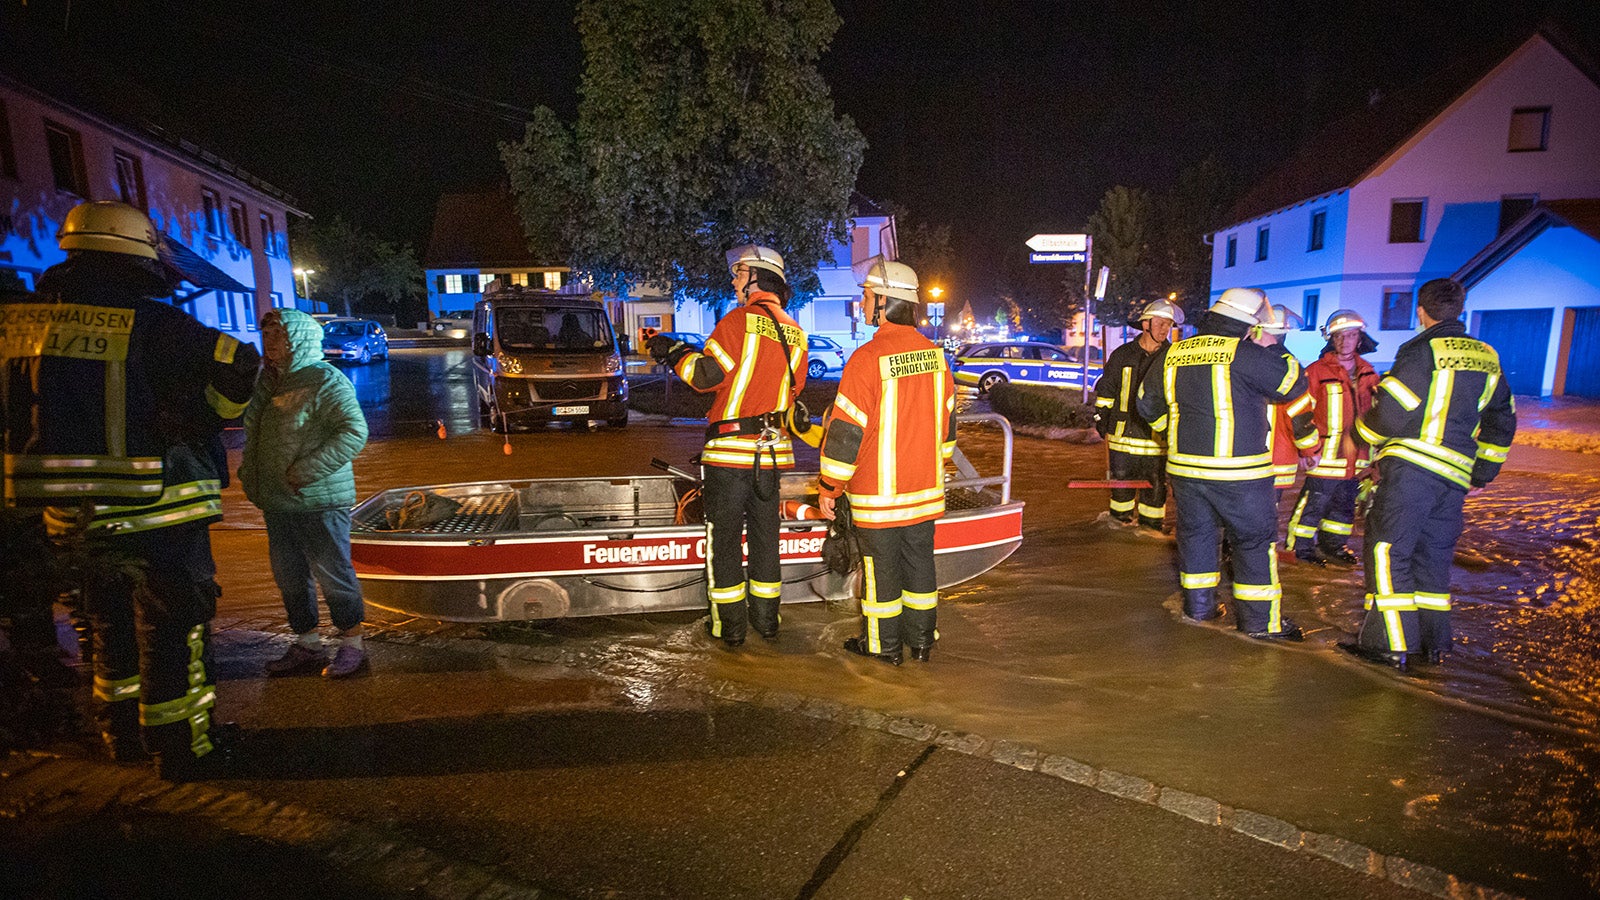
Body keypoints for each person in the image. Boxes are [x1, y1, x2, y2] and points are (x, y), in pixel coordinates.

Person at [1, 200, 259, 780]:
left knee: (104, 622)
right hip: (158, 507)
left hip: (60, 514)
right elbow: (237, 363)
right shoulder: (158, 324)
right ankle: (183, 746)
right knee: (174, 625)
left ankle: (120, 736)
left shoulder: (19, 323)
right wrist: (203, 419)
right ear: (137, 255)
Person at [1345, 279, 1516, 669]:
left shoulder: (1421, 350)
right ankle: (1431, 645)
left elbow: (1391, 411)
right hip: (1453, 479)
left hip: (1412, 471)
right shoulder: (1488, 355)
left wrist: (1359, 435)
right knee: (1433, 560)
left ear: (1420, 312)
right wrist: (1483, 471)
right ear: (1460, 309)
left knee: (1388, 552)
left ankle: (1389, 644)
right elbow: (1502, 418)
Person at [647, 245, 807, 647]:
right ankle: (768, 622)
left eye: (738, 274)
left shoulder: (737, 322)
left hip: (729, 455)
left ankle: (728, 627)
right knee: (766, 539)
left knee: (724, 542)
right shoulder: (796, 333)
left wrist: (673, 352)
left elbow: (704, 376)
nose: (733, 282)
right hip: (771, 455)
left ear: (755, 278)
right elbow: (794, 390)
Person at [1137, 287, 1308, 639]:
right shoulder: (1245, 354)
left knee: (1197, 539)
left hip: (1186, 473)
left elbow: (1146, 404)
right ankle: (1260, 626)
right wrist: (1276, 346)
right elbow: (1292, 383)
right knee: (1253, 544)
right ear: (1249, 325)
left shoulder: (1172, 354)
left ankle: (1199, 611)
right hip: (1241, 476)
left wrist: (1174, 433)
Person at [816, 256, 956, 665]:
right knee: (921, 569)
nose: (861, 304)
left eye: (865, 296)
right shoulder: (936, 358)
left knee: (881, 574)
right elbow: (947, 431)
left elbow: (846, 434)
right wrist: (932, 465)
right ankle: (922, 643)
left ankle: (883, 647)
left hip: (879, 497)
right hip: (926, 491)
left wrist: (830, 487)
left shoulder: (866, 359)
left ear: (883, 302)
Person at [241, 309, 371, 678]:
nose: (268, 341)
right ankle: (308, 643)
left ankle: (353, 644)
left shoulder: (324, 379)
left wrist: (304, 471)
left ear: (296, 339)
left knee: (333, 573)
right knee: (290, 576)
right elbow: (256, 436)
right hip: (277, 500)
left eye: (276, 334)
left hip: (319, 499)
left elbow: (353, 432)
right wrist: (251, 478)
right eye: (264, 333)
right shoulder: (268, 383)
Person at [1286, 310, 1381, 566]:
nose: (1345, 341)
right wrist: (1308, 451)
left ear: (1359, 338)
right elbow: (1301, 411)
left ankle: (1334, 546)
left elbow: (1378, 413)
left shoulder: (1369, 373)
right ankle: (1299, 548)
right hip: (1324, 456)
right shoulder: (1316, 371)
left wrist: (1377, 456)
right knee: (1313, 505)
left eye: (1351, 335)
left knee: (1343, 507)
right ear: (1331, 339)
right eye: (1339, 336)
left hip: (1358, 457)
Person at [1094, 299, 1181, 531]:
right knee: (1121, 492)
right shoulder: (1122, 355)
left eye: (1168, 324)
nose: (1164, 329)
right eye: (1160, 323)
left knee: (1155, 490)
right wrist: (1101, 416)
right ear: (1145, 324)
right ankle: (1119, 535)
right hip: (1122, 438)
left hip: (1157, 438)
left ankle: (1150, 531)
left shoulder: (1173, 357)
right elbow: (1107, 389)